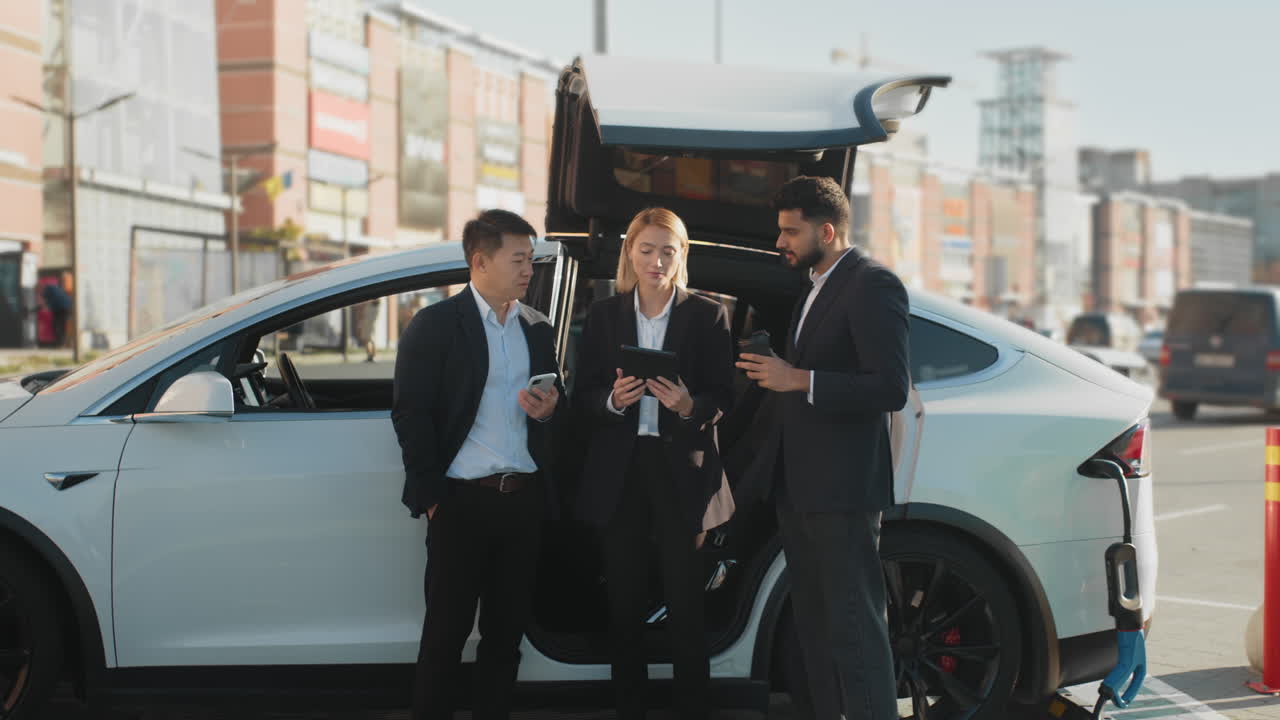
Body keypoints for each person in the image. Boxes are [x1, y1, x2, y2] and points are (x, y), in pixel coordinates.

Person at [735, 176, 910, 720]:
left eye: (791, 231)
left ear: (827, 230)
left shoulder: (873, 284)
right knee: (817, 630)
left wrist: (799, 379)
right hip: (803, 489)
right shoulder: (815, 285)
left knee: (855, 629)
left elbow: (890, 387)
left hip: (843, 492)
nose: (781, 241)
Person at [392, 209, 563, 720]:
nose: (528, 270)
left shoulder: (536, 327)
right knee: (445, 633)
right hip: (460, 503)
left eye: (530, 259)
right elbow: (411, 412)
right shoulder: (437, 324)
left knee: (506, 636)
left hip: (522, 501)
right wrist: (431, 499)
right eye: (518, 259)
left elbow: (558, 405)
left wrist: (553, 409)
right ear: (480, 261)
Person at [575, 208, 735, 720]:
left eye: (668, 250)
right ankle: (631, 709)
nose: (656, 260)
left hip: (681, 476)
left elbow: (725, 398)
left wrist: (689, 406)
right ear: (629, 253)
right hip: (619, 474)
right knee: (623, 605)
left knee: (686, 607)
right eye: (646, 249)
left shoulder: (707, 315)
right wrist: (614, 400)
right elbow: (583, 399)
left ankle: (693, 709)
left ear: (682, 256)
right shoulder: (603, 315)